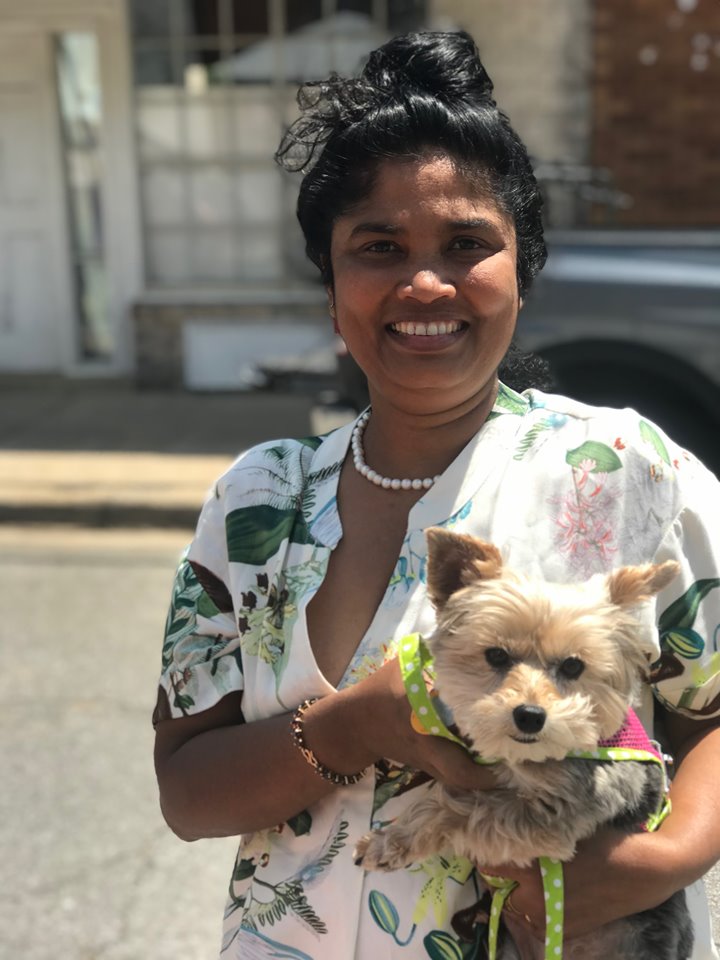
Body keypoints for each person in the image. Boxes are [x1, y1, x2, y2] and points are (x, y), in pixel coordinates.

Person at [153, 30, 720, 960]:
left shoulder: (627, 469)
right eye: (379, 246)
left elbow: (712, 712)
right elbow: (187, 793)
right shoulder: (257, 502)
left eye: (466, 244)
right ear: (331, 286)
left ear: (520, 275)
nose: (424, 282)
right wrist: (358, 725)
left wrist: (667, 858)